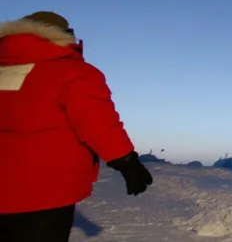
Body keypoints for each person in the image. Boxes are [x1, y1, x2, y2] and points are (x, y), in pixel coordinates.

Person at [0, 12, 153, 242]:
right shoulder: (72, 73)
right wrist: (127, 162)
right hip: (44, 192)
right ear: (63, 36)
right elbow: (99, 124)